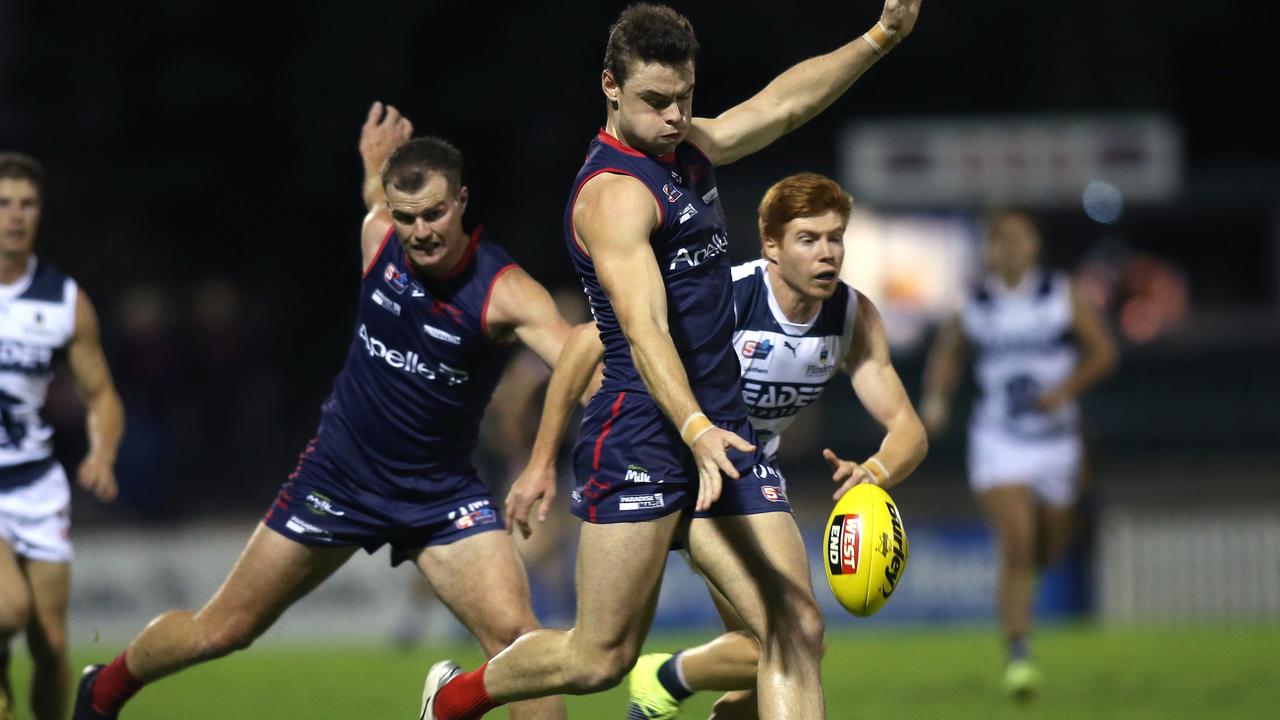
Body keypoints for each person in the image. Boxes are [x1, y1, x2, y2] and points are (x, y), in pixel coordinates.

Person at [419, 4, 923, 719]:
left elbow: (782, 105)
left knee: (795, 628)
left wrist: (879, 39)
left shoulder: (688, 148)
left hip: (721, 428)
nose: (675, 115)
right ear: (611, 87)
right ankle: (454, 697)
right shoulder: (615, 196)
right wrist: (691, 430)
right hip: (645, 432)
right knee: (600, 658)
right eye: (656, 101)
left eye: (685, 97)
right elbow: (643, 329)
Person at [71, 103, 570, 720]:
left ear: (463, 201)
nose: (422, 232)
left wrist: (543, 459)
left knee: (521, 648)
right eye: (409, 216)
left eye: (436, 213)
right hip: (336, 478)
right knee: (221, 630)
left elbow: (577, 357)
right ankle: (104, 688)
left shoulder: (506, 292)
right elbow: (375, 199)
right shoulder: (379, 235)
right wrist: (372, 166)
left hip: (437, 497)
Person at [509, 172, 929, 719]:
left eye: (836, 238)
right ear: (771, 247)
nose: (828, 254)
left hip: (740, 480)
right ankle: (651, 677)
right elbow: (587, 342)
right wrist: (542, 459)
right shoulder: (727, 294)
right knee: (604, 656)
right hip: (663, 461)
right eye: (810, 239)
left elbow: (909, 430)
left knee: (784, 645)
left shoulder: (852, 317)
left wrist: (875, 470)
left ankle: (666, 677)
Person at [919, 208, 1117, 699]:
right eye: (1000, 239)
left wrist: (1063, 391)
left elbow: (1104, 353)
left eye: (1018, 238)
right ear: (989, 249)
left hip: (1057, 441)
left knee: (1050, 546)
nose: (1009, 247)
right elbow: (948, 352)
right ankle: (1019, 658)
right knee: (1017, 542)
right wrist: (937, 402)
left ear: (1034, 245)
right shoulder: (976, 300)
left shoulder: (1059, 294)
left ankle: (1032, 587)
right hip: (998, 438)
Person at [0, 152, 125, 720]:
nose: (15, 216)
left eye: (26, 204)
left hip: (35, 482)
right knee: (8, 610)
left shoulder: (62, 300)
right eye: (3, 204)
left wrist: (102, 451)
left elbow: (101, 394)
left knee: (50, 645)